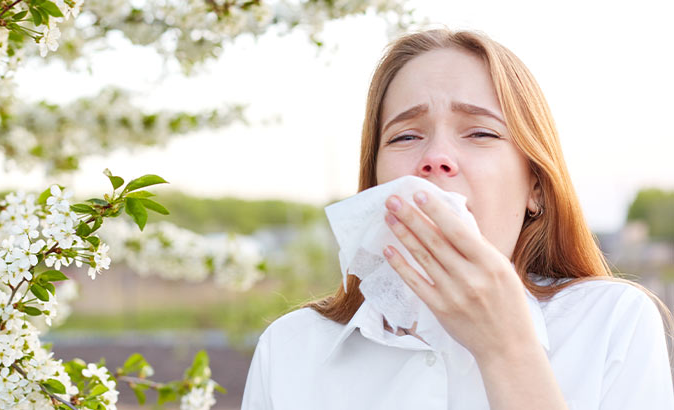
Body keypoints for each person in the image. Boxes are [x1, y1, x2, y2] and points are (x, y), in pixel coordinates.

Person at [240, 27, 674, 410]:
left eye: (480, 133)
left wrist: (506, 350)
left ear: (535, 188)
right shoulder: (289, 348)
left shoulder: (614, 322)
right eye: (406, 136)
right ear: (374, 184)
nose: (436, 159)